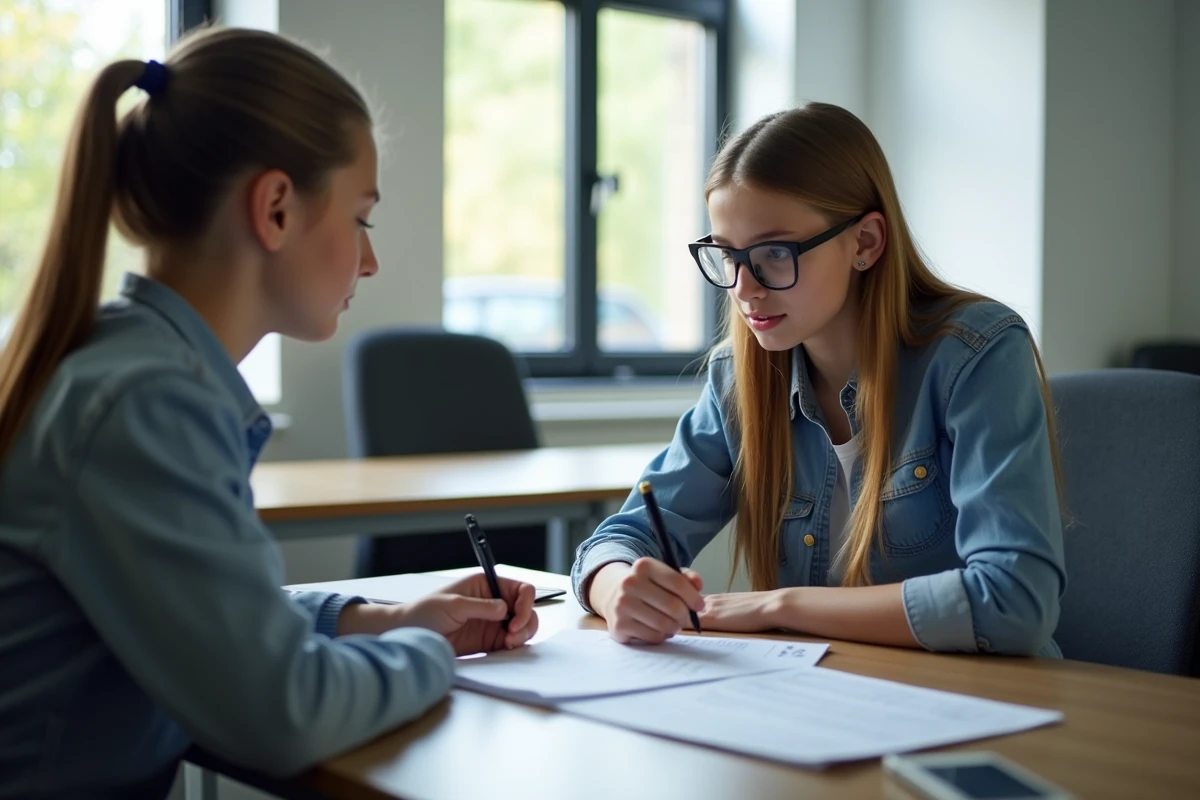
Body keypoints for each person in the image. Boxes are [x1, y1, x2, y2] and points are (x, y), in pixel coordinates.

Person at [0, 27, 537, 800]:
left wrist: (379, 617)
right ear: (277, 208)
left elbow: (206, 614)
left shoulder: (125, 368)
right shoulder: (148, 404)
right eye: (362, 218)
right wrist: (431, 652)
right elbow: (283, 712)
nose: (371, 259)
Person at [572, 103, 1065, 658]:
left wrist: (779, 606)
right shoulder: (741, 380)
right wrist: (618, 589)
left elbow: (1014, 602)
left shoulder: (975, 356)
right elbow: (617, 541)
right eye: (727, 256)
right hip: (821, 698)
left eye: (774, 254)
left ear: (865, 243)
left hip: (989, 706)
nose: (743, 288)